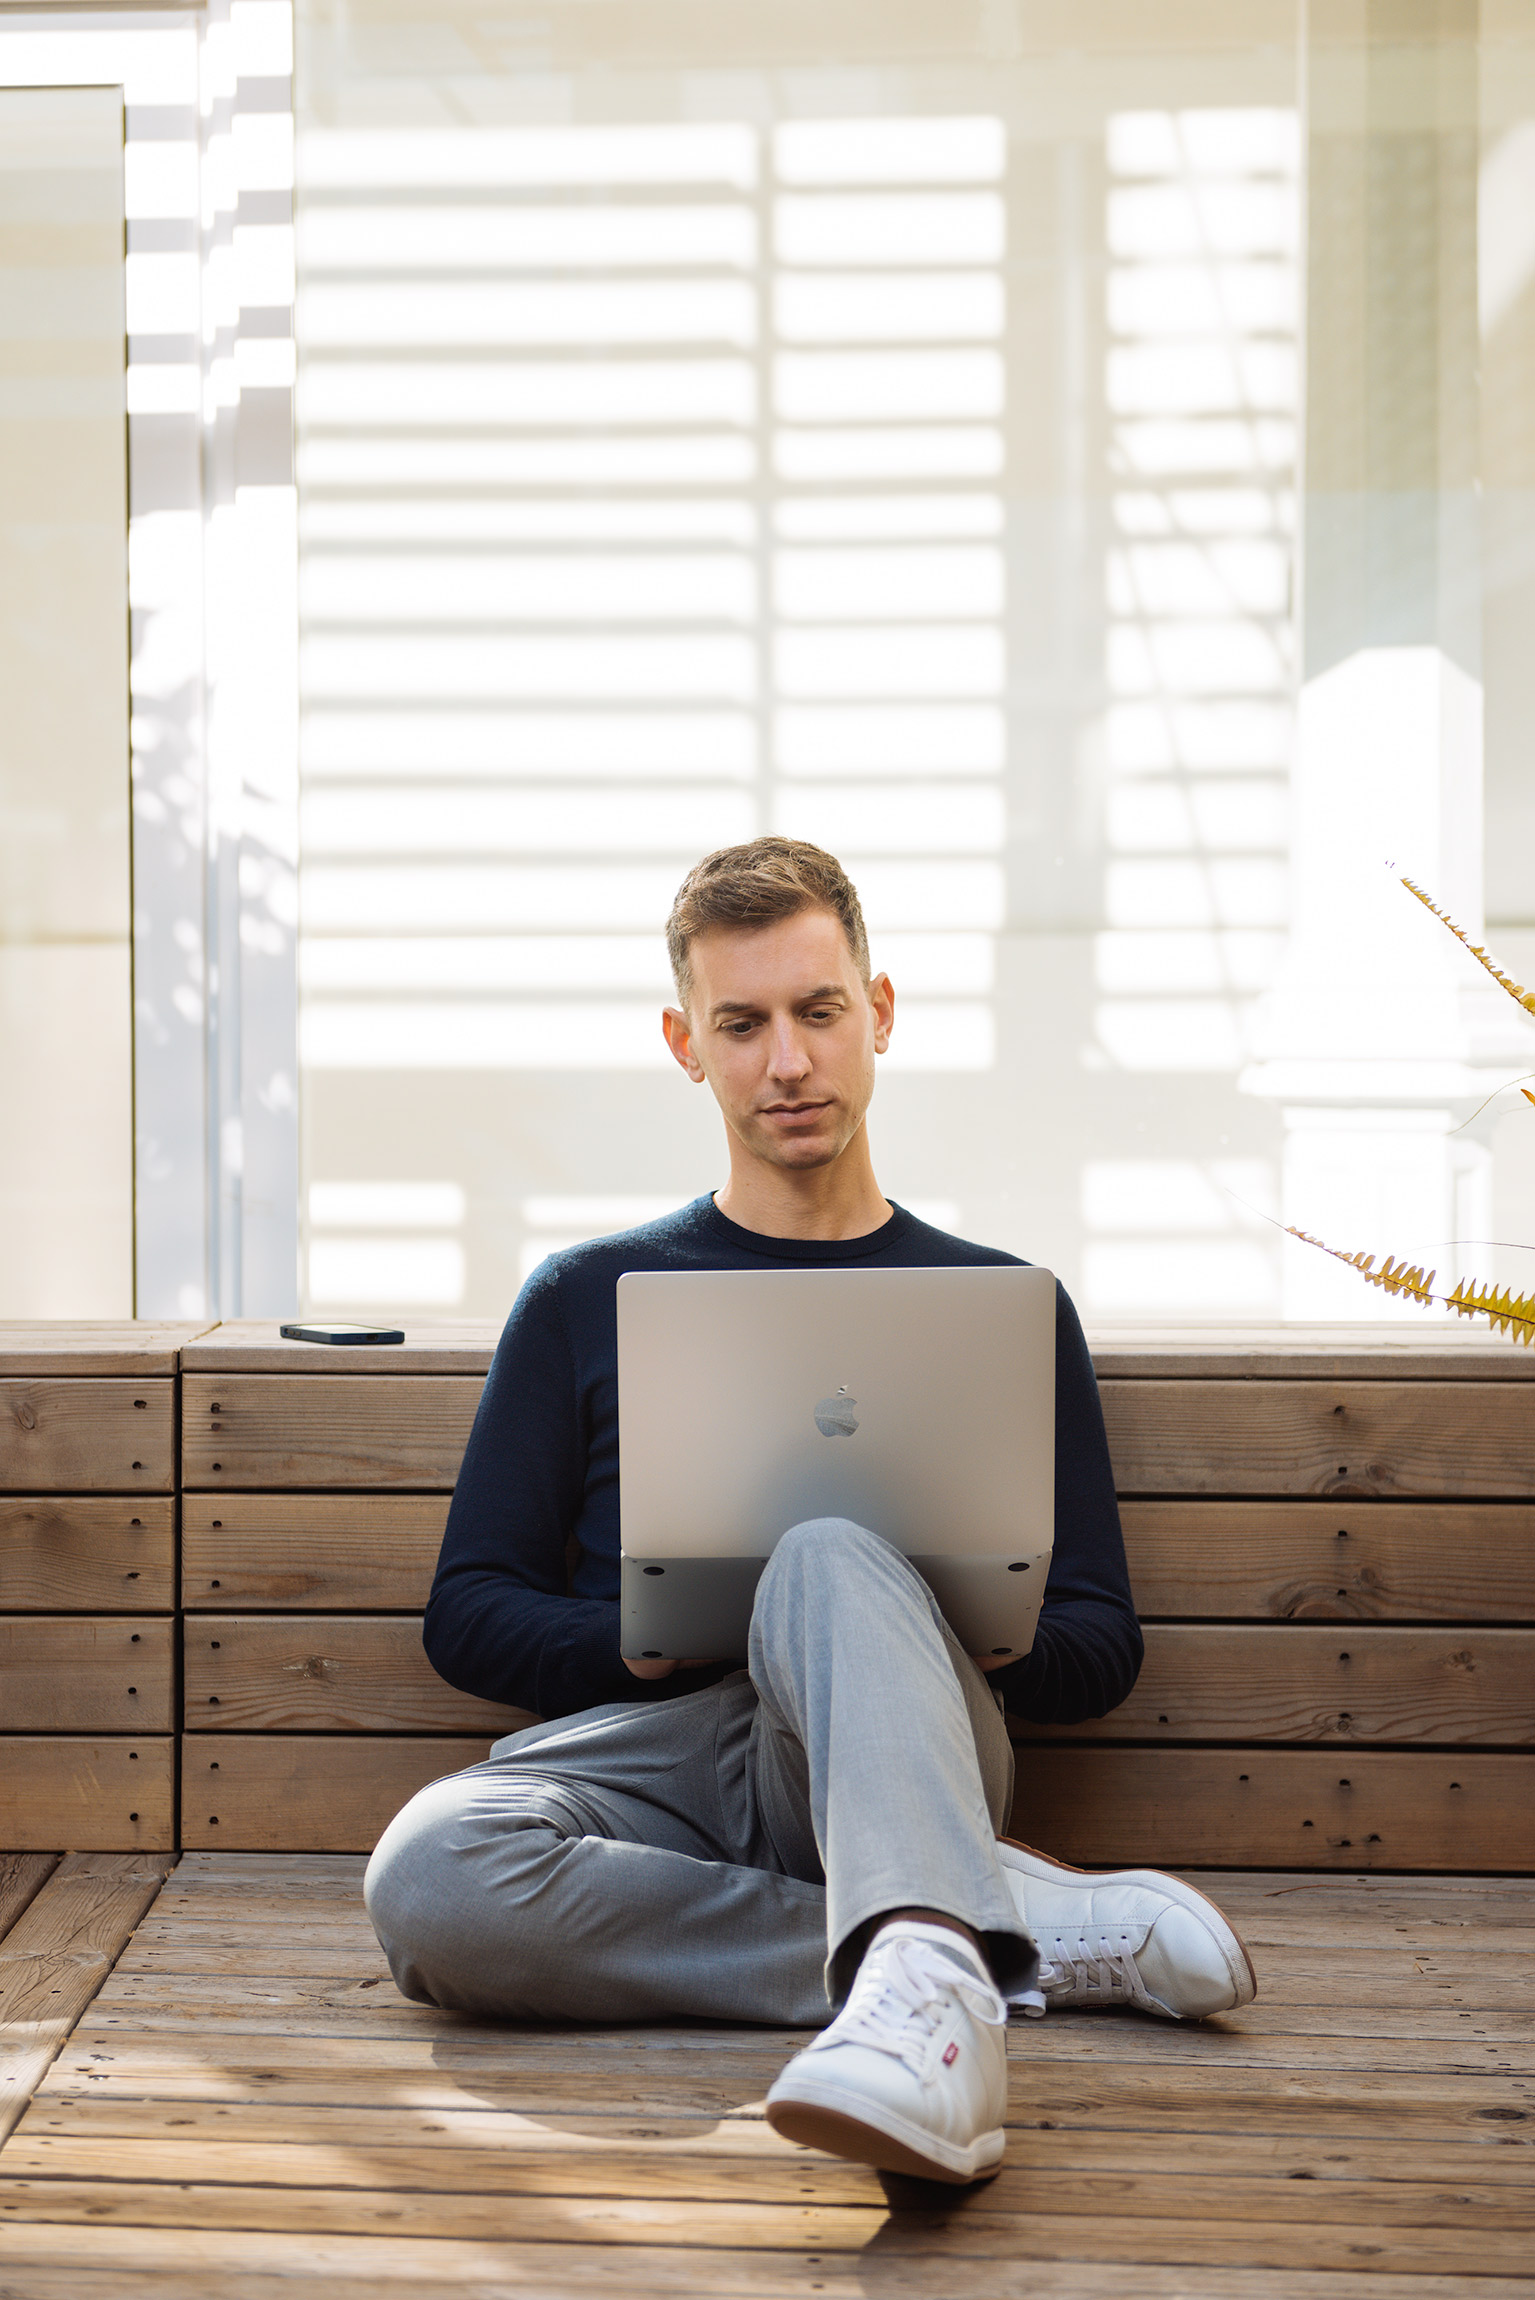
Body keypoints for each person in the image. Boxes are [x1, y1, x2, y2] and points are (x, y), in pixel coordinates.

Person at [365, 837, 1256, 2186]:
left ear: (877, 1013)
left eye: (818, 1011)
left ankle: (931, 2006)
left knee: (829, 1553)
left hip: (908, 1742)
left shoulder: (1005, 1308)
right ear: (687, 1043)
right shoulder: (583, 1297)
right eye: (743, 1024)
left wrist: (987, 1630)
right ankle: (976, 1922)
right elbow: (469, 1613)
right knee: (428, 1875)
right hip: (661, 1765)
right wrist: (631, 1649)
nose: (788, 1061)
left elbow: (1102, 1646)